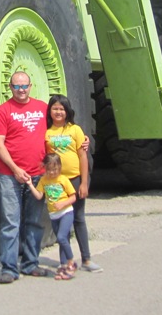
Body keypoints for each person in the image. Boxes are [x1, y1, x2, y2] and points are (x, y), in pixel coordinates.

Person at [0, 70, 51, 284]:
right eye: (17, 86)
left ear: (30, 86)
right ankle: (9, 268)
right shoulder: (2, 112)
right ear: (10, 87)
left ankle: (31, 264)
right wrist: (16, 169)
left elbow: (55, 135)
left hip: (38, 175)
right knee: (10, 223)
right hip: (10, 176)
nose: (21, 90)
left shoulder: (42, 109)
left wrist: (81, 143)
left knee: (34, 222)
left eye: (24, 85)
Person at [45, 93, 102, 273]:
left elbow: (82, 156)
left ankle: (86, 259)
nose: (58, 112)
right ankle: (65, 261)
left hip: (75, 179)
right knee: (62, 221)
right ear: (50, 111)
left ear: (67, 111)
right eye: (55, 108)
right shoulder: (47, 133)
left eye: (61, 108)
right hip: (58, 183)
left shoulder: (75, 130)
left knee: (78, 218)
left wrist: (84, 182)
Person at [27, 152, 78, 280]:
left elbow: (73, 197)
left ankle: (71, 262)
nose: (52, 172)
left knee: (61, 237)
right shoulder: (44, 180)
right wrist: (29, 184)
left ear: (59, 168)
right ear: (45, 168)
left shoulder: (63, 179)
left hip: (66, 212)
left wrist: (63, 204)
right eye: (49, 170)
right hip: (54, 216)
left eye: (54, 169)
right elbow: (39, 196)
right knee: (62, 239)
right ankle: (63, 265)